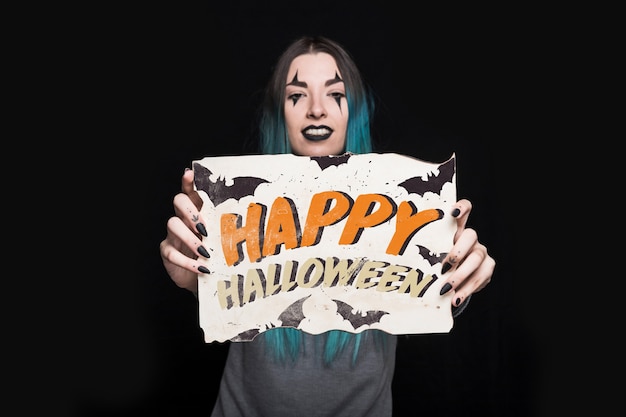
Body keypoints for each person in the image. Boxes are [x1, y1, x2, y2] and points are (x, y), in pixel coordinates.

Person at [159, 35, 495, 417]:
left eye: (335, 94)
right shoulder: (234, 212)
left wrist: (462, 277)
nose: (316, 109)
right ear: (278, 113)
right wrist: (188, 275)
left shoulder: (400, 208)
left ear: (356, 111)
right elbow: (209, 285)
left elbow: (434, 291)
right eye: (296, 96)